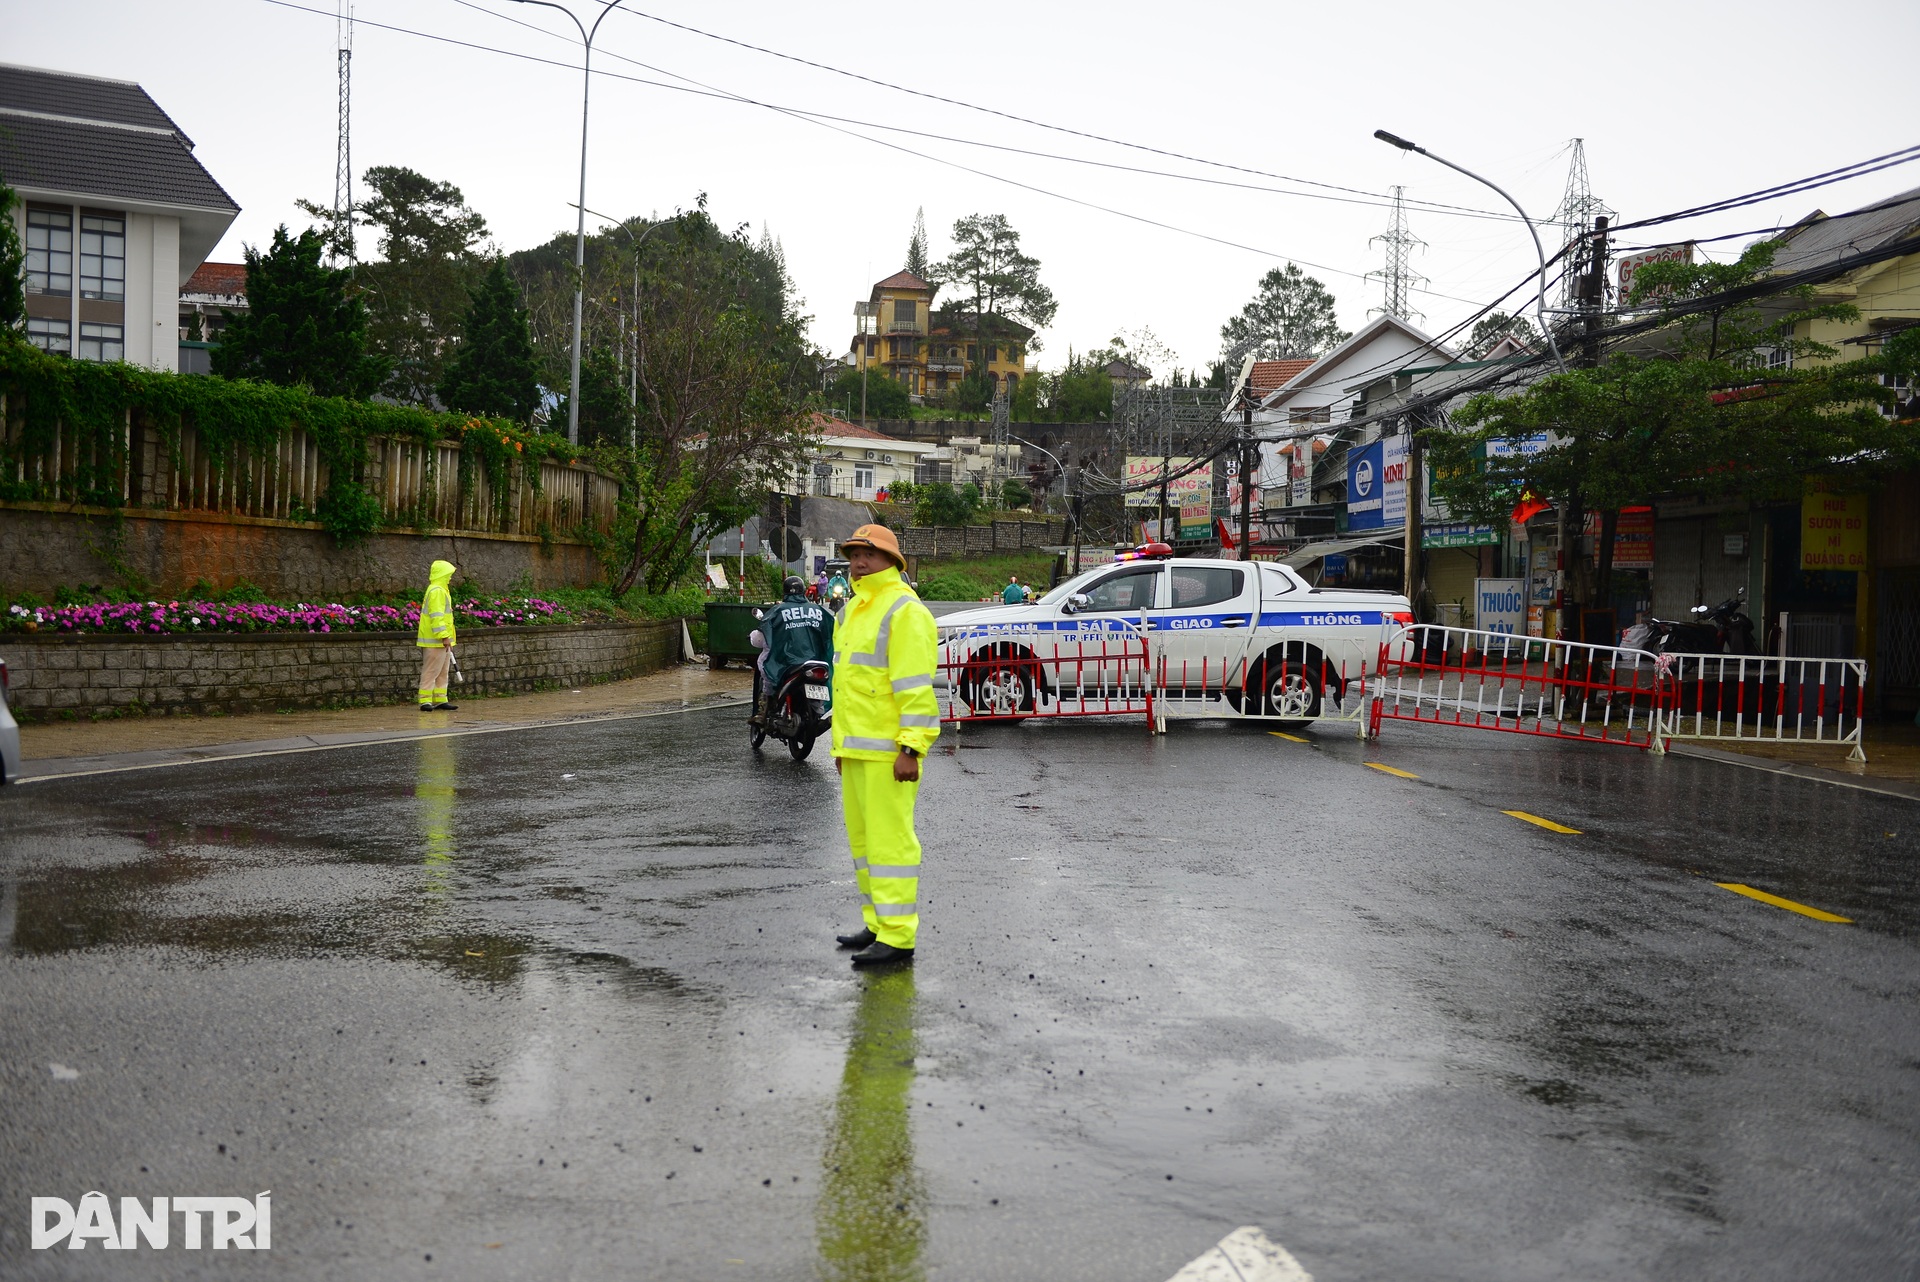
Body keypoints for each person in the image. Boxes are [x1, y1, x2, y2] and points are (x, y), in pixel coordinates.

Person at [831, 524, 940, 967]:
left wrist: (910, 749)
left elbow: (916, 688)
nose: (859, 562)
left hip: (890, 753)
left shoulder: (905, 611)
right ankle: (877, 923)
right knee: (863, 845)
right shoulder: (852, 610)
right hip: (856, 750)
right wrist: (839, 748)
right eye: (855, 553)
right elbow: (847, 685)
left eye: (869, 555)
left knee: (890, 845)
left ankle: (897, 937)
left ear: (892, 562)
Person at [751, 575, 835, 726]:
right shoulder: (818, 610)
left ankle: (762, 710)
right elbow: (831, 632)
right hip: (816, 661)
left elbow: (760, 639)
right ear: (804, 591)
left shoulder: (778, 611)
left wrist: (753, 637)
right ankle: (819, 710)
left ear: (784, 592)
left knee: (765, 666)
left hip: (787, 662)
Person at [415, 559, 459, 711]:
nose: (450, 578)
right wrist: (444, 636)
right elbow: (437, 616)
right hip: (436, 640)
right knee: (432, 671)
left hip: (442, 640)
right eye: (449, 574)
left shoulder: (440, 590)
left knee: (442, 671)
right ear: (442, 574)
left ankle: (441, 699)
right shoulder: (437, 591)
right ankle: (425, 700)